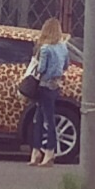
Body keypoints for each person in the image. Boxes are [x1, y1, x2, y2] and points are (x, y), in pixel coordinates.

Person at [28, 17, 69, 168]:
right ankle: (37, 151)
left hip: (43, 85)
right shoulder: (63, 47)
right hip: (55, 85)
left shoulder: (45, 48)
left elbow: (41, 69)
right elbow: (66, 66)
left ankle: (47, 152)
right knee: (43, 118)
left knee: (43, 119)